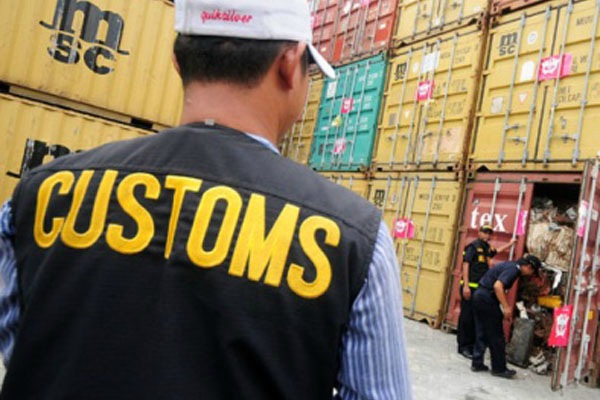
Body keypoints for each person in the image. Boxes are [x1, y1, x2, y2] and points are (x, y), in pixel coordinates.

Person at [0, 0, 412, 398]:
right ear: (290, 64)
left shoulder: (35, 197)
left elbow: (24, 352)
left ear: (177, 61)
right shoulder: (355, 240)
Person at [470, 254, 542, 378]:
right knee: (497, 335)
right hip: (487, 298)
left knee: (481, 330)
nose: (530, 275)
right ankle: (499, 368)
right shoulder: (514, 270)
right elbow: (498, 286)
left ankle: (477, 363)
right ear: (528, 267)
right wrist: (506, 307)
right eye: (532, 272)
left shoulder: (510, 265)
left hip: (479, 295)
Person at [457, 225, 515, 359]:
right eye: (485, 232)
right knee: (466, 317)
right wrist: (466, 286)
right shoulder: (473, 247)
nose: (487, 235)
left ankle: (471, 345)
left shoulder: (486, 247)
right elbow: (466, 265)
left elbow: (496, 251)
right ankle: (463, 346)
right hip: (469, 287)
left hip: (479, 289)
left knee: (475, 318)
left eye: (489, 233)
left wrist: (510, 244)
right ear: (479, 232)